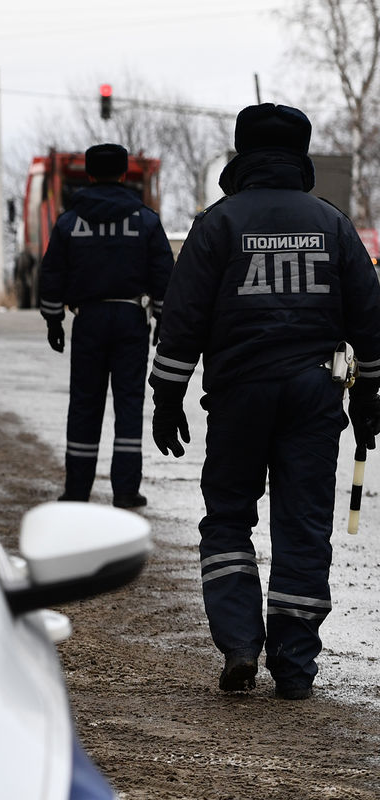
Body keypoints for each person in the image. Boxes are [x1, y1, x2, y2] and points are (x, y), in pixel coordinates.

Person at [150, 103, 380, 700]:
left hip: (239, 394)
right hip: (313, 393)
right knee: (303, 525)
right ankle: (296, 666)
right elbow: (370, 317)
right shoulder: (331, 223)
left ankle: (239, 644)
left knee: (228, 515)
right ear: (299, 155)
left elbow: (183, 320)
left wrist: (167, 394)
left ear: (240, 153)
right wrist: (372, 393)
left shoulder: (217, 224)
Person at [38, 144, 174, 508]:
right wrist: (163, 316)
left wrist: (54, 319)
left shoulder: (69, 221)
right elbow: (163, 272)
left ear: (91, 175)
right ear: (125, 175)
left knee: (84, 404)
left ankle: (77, 489)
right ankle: (126, 490)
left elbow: (52, 273)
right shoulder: (144, 219)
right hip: (131, 319)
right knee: (129, 405)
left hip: (89, 321)